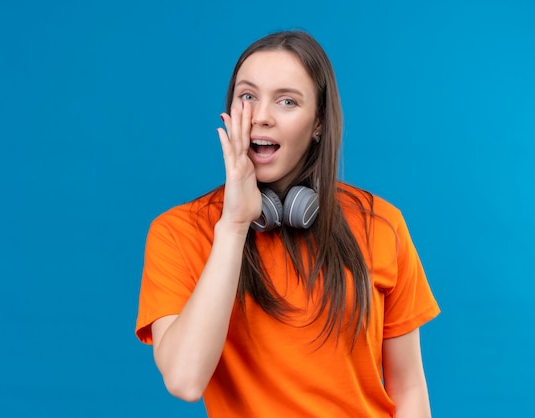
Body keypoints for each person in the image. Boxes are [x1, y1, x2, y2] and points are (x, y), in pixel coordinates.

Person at [135, 29, 440, 417]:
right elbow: (184, 379)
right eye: (248, 96)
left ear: (318, 124)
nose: (262, 116)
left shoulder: (380, 224)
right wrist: (234, 224)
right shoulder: (178, 232)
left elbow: (409, 385)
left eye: (287, 101)